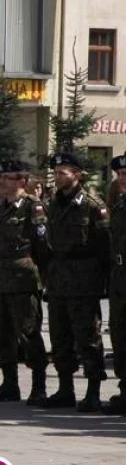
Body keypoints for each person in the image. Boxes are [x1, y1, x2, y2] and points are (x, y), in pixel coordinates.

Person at [43, 152, 110, 412]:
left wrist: (102, 281)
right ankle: (65, 388)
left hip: (84, 280)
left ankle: (93, 391)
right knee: (60, 336)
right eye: (57, 172)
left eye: (63, 172)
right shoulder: (55, 202)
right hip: (59, 279)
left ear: (77, 175)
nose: (58, 176)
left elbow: (105, 247)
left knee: (88, 337)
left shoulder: (93, 205)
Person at [0, 160, 49, 405]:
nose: (3, 182)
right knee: (2, 334)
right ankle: (9, 383)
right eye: (1, 177)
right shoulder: (1, 208)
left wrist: (39, 276)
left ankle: (39, 385)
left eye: (9, 178)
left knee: (29, 332)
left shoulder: (33, 207)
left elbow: (42, 247)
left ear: (22, 181)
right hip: (0, 278)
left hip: (23, 279)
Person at [106, 153, 126, 414]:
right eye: (120, 174)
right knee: (120, 334)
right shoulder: (120, 205)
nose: (122, 178)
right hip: (120, 278)